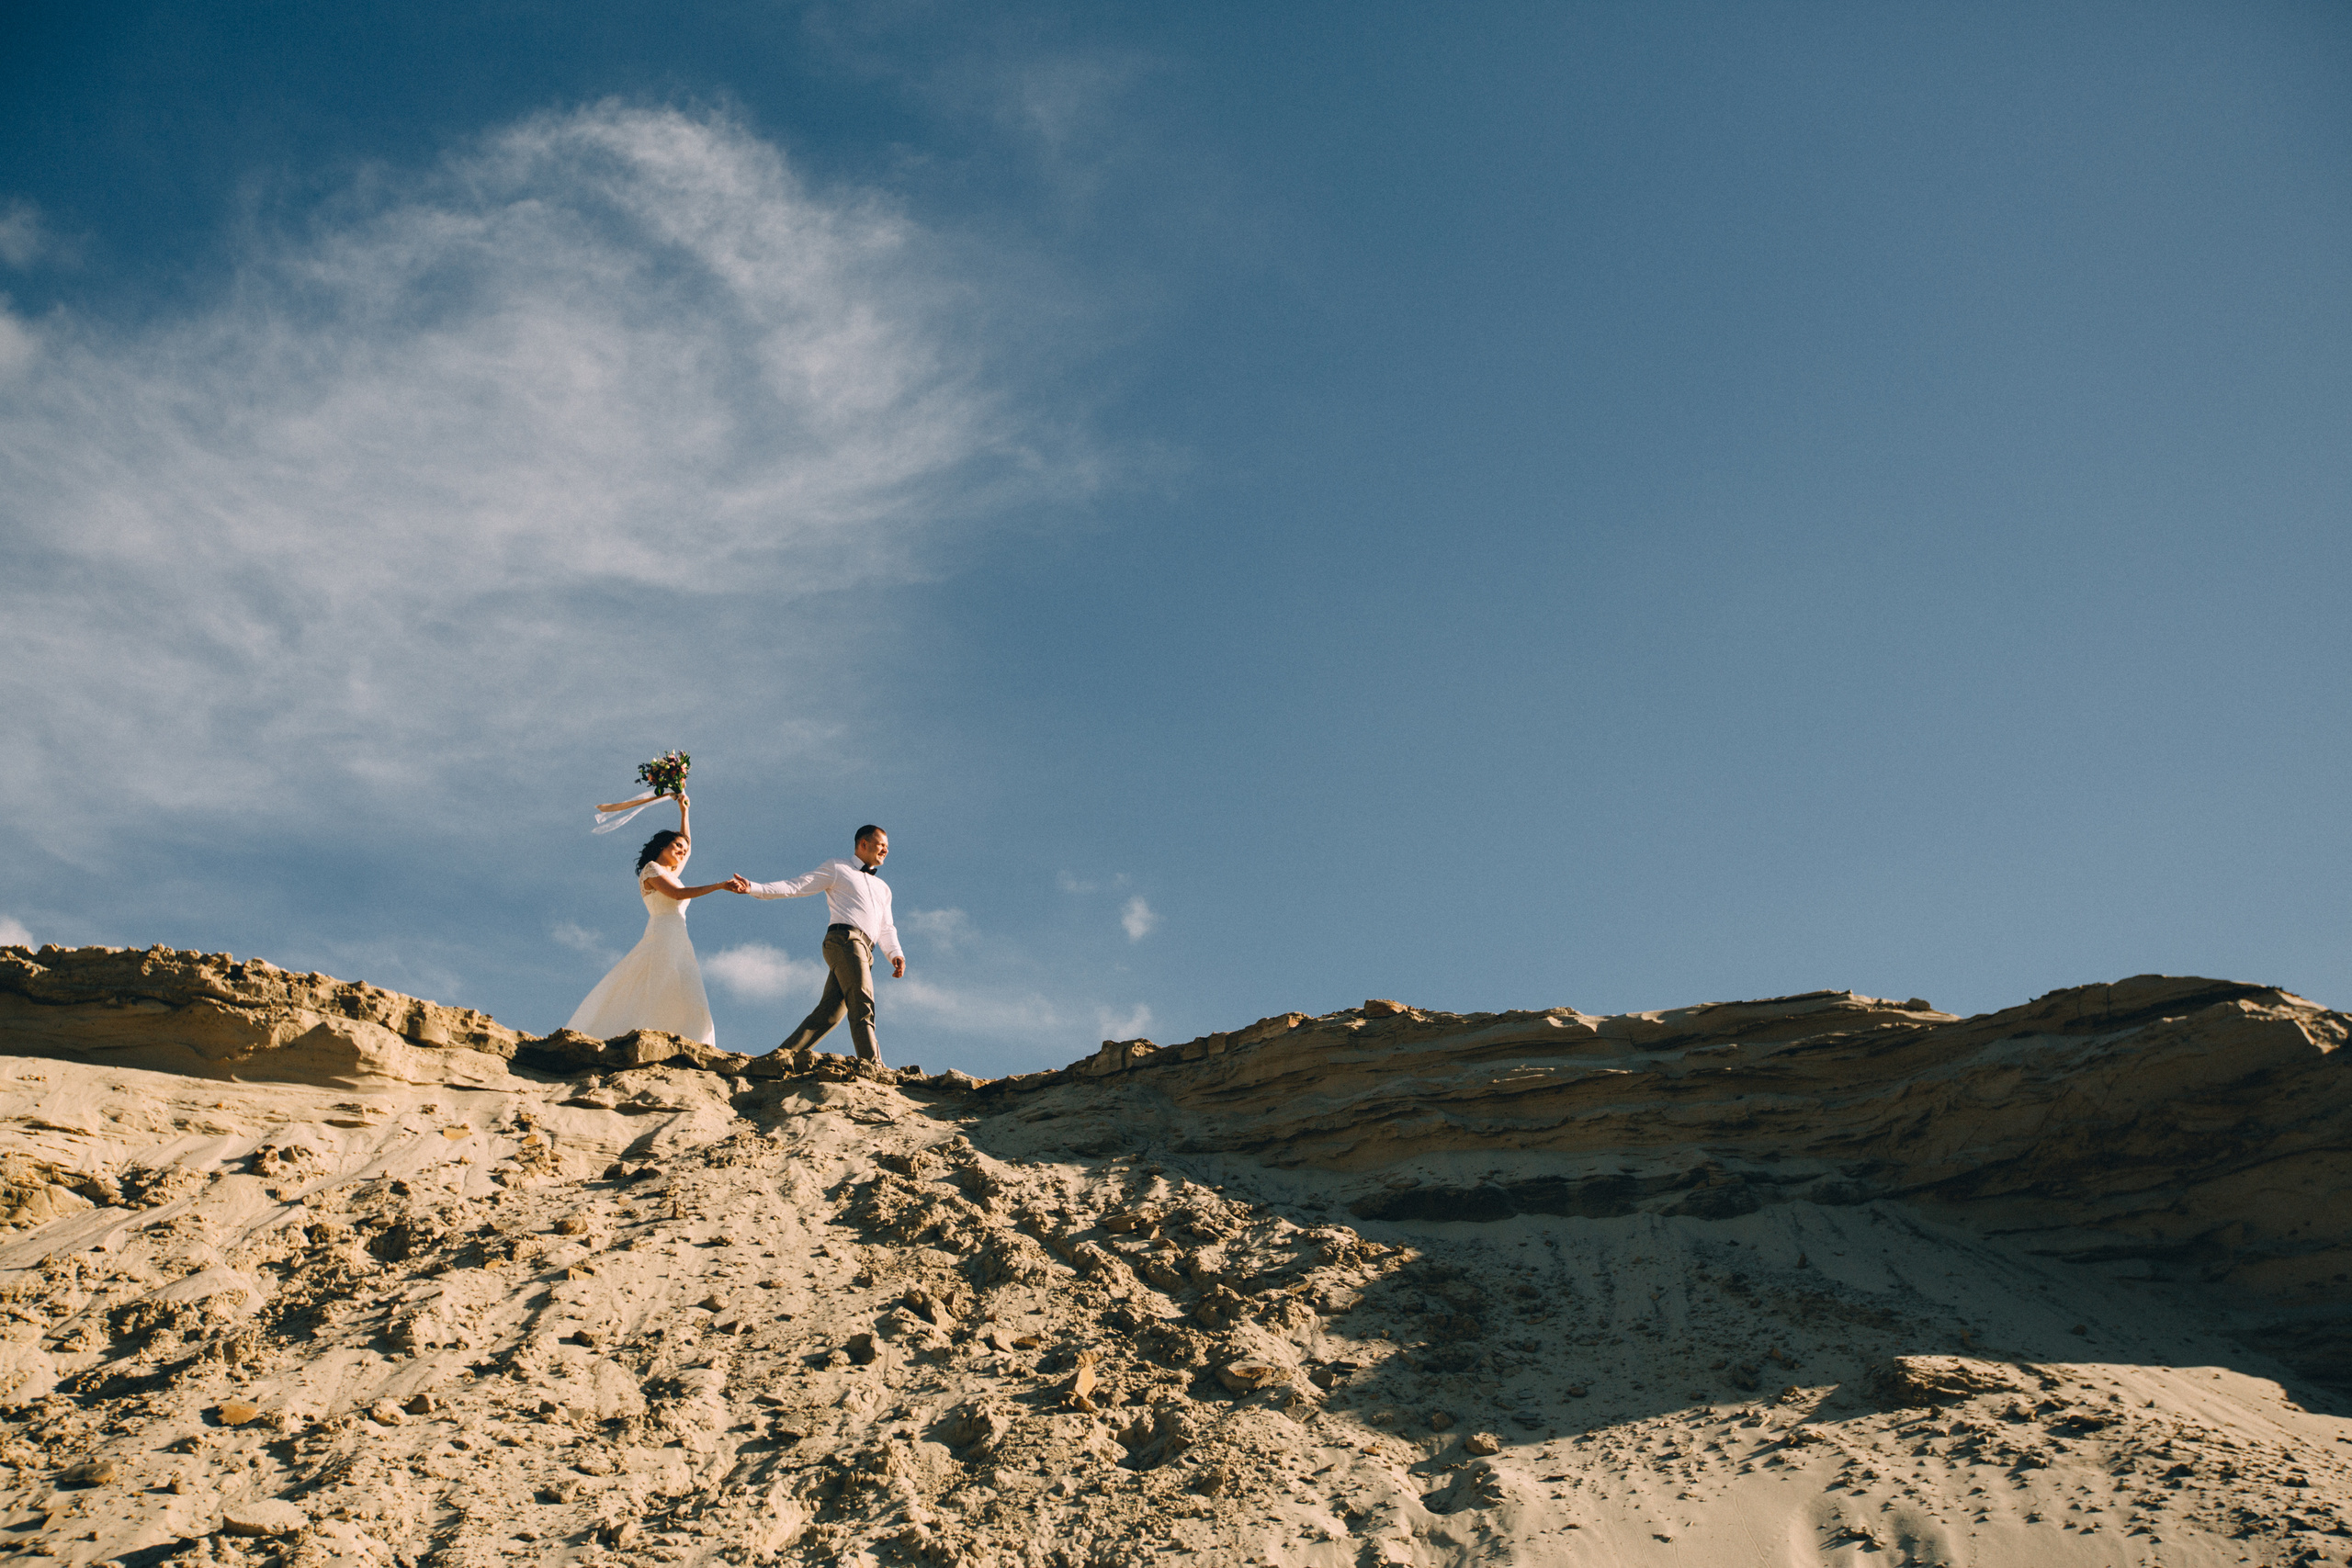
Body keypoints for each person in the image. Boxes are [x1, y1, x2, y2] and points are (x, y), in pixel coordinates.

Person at [564, 793, 739, 1044]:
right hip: (663, 932)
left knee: (686, 987)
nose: (682, 851)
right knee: (661, 983)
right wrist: (719, 885)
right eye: (677, 846)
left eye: (684, 849)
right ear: (662, 847)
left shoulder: (670, 871)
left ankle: (692, 1038)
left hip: (679, 935)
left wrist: (684, 811)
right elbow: (677, 893)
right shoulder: (652, 870)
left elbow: (688, 849)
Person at [731, 825, 904, 1063]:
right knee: (862, 1001)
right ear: (863, 844)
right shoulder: (838, 867)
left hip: (867, 950)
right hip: (845, 939)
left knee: (830, 1015)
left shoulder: (883, 888)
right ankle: (873, 1064)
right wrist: (754, 888)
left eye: (887, 846)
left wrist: (895, 953)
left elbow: (886, 927)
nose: (885, 849)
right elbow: (797, 886)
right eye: (881, 844)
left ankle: (778, 1058)